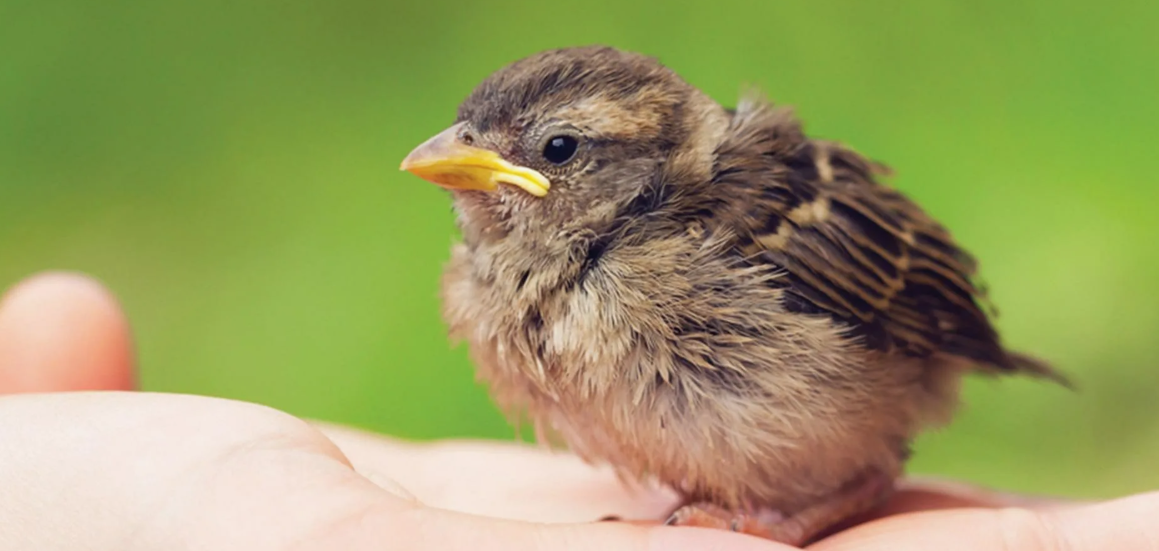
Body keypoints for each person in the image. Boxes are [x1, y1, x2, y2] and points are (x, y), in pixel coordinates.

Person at [0, 272, 1153, 550]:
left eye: (552, 153)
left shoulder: (722, 231)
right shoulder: (487, 277)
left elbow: (902, 302)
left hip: (868, 398)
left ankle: (844, 493)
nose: (468, 170)